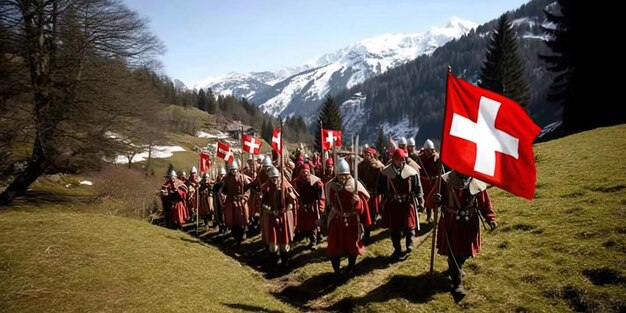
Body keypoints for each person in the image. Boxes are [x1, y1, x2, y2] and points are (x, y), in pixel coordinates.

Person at [434, 170, 497, 301]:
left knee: (464, 253)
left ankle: (456, 266)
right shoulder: (445, 180)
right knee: (455, 253)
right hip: (452, 223)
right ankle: (457, 285)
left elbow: (485, 202)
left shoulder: (476, 181)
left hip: (470, 224)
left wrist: (490, 218)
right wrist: (437, 200)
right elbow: (431, 200)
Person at [325, 158, 370, 280]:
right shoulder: (330, 185)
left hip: (352, 221)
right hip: (337, 220)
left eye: (345, 175)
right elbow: (329, 205)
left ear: (349, 174)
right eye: (340, 175)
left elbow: (364, 205)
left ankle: (351, 267)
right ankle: (337, 272)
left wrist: (358, 202)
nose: (343, 178)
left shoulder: (355, 185)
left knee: (352, 246)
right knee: (334, 247)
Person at [378, 148, 424, 260]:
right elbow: (381, 189)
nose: (402, 161)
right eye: (400, 159)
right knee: (395, 229)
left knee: (409, 226)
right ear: (394, 159)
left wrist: (420, 200)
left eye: (403, 159)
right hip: (393, 203)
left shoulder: (411, 172)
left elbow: (417, 187)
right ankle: (397, 249)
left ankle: (409, 246)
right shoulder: (385, 172)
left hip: (407, 202)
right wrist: (382, 203)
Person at [260, 166, 298, 267]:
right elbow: (262, 203)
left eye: (276, 178)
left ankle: (285, 263)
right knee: (273, 245)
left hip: (283, 217)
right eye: (273, 178)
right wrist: (268, 208)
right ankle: (274, 264)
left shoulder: (286, 186)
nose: (275, 180)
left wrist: (288, 206)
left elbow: (292, 202)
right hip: (271, 218)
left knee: (284, 245)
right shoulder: (265, 187)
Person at [293, 163, 325, 250]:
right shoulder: (297, 182)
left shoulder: (316, 182)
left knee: (313, 225)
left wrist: (321, 207)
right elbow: (295, 195)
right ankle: (314, 237)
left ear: (309, 172)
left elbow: (321, 196)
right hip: (302, 207)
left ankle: (313, 242)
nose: (305, 174)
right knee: (304, 224)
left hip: (313, 207)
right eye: (303, 172)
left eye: (306, 172)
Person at [220, 161, 252, 243]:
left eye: (235, 169)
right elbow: (223, 189)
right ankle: (234, 234)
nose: (234, 171)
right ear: (230, 170)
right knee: (231, 217)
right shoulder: (226, 179)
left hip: (241, 200)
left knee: (243, 216)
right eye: (232, 170)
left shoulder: (243, 177)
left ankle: (243, 232)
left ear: (237, 169)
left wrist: (244, 197)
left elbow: (248, 188)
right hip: (231, 200)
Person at [358, 147, 384, 244]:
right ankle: (366, 234)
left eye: (369, 154)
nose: (367, 156)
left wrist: (380, 192)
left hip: (375, 194)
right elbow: (357, 180)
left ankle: (370, 231)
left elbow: (382, 181)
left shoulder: (379, 166)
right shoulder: (359, 166)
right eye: (366, 154)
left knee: (372, 215)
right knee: (364, 215)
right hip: (364, 194)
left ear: (372, 155)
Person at [417, 139, 444, 223]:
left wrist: (440, 179)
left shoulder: (437, 157)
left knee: (435, 198)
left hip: (435, 182)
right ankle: (429, 215)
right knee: (426, 198)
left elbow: (441, 171)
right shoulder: (420, 158)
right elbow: (418, 170)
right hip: (424, 182)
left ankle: (436, 215)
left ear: (432, 150)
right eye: (426, 150)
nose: (427, 152)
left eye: (429, 150)